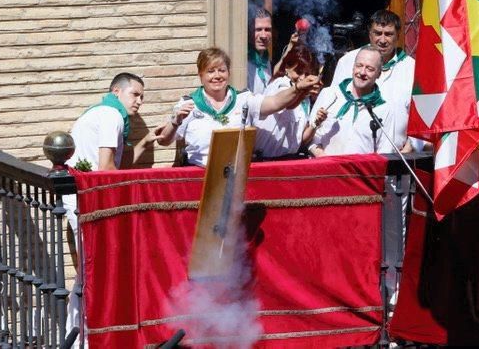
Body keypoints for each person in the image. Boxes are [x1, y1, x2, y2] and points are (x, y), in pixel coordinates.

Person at [64, 72, 166, 343]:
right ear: (116, 91)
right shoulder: (111, 115)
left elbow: (114, 164)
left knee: (86, 273)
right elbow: (107, 169)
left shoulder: (101, 114)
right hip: (90, 204)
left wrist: (144, 143)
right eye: (135, 94)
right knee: (93, 274)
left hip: (81, 202)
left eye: (142, 96)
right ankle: (82, 340)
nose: (139, 101)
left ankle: (76, 338)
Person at [160, 47, 321, 166]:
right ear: (200, 75)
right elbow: (164, 141)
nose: (217, 76)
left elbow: (275, 102)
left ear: (228, 73)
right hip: (198, 175)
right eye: (210, 71)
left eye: (221, 70)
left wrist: (298, 88)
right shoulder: (188, 103)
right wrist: (175, 122)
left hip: (235, 176)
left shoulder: (244, 99)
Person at [331, 10, 417, 152]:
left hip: (396, 156)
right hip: (351, 154)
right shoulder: (347, 61)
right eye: (378, 33)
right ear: (369, 33)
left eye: (388, 34)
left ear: (398, 35)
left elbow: (419, 115)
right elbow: (334, 104)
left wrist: (412, 145)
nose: (382, 40)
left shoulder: (411, 68)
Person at [308, 45, 396, 156]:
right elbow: (310, 137)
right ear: (353, 67)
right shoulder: (329, 94)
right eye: (359, 66)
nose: (362, 72)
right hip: (325, 169)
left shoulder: (384, 109)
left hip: (361, 172)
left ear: (378, 74)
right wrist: (322, 156)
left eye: (370, 69)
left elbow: (385, 152)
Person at [254, 44, 327, 159]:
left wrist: (315, 123)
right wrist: (302, 91)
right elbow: (288, 104)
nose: (302, 78)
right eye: (298, 72)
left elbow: (300, 140)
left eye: (307, 73)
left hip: (289, 159)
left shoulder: (305, 98)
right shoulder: (280, 83)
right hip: (266, 159)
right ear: (287, 68)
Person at [247, 8, 273, 94]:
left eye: (267, 30)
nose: (263, 36)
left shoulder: (266, 60)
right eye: (258, 29)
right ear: (249, 31)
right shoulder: (242, 61)